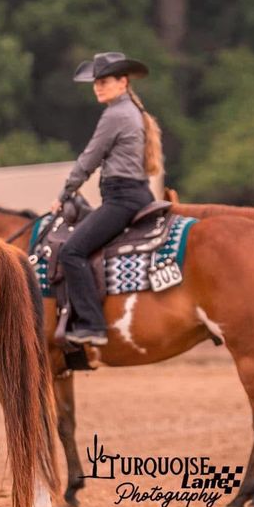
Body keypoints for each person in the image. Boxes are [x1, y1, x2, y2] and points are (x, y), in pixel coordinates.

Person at [54, 52, 162, 346]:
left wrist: (65, 193)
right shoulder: (132, 112)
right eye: (96, 82)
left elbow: (89, 159)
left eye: (104, 81)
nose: (97, 87)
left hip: (122, 199)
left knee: (71, 252)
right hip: (136, 193)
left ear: (123, 82)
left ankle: (92, 325)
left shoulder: (115, 115)